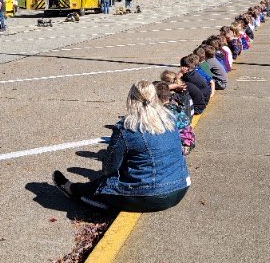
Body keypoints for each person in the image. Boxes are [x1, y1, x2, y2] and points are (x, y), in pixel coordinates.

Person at [52, 81, 190, 212]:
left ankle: (74, 190)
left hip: (152, 196)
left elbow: (109, 168)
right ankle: (82, 191)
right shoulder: (170, 118)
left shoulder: (127, 129)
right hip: (180, 187)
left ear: (131, 100)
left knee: (108, 181)